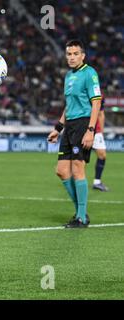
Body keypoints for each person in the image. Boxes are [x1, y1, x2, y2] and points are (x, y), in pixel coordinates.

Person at [47, 40, 102, 228]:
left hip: (83, 124)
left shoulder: (90, 73)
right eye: (68, 54)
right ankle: (81, 212)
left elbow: (96, 102)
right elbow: (68, 106)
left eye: (75, 54)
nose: (71, 57)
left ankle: (81, 217)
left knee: (78, 168)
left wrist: (91, 130)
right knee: (61, 171)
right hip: (69, 126)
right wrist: (58, 128)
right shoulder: (68, 76)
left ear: (82, 55)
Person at [92, 103, 109, 191]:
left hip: (96, 130)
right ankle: (76, 181)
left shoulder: (100, 94)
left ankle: (97, 182)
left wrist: (101, 132)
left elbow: (101, 114)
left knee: (102, 155)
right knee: (80, 158)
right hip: (82, 128)